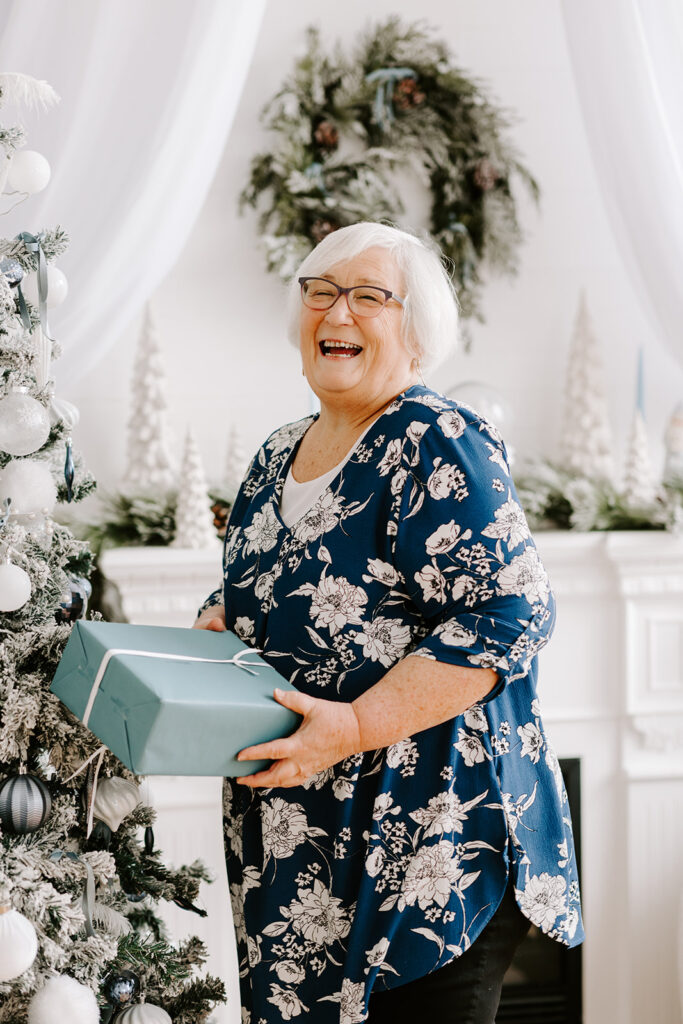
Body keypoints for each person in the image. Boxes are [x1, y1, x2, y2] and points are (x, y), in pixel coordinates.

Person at [194, 222, 583, 1024]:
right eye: (320, 292)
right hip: (303, 855)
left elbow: (509, 613)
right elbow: (250, 594)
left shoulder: (436, 440)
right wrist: (212, 630)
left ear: (414, 330)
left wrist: (356, 722)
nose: (337, 313)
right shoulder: (275, 456)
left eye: (367, 296)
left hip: (430, 848)